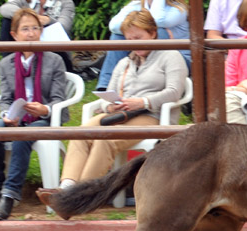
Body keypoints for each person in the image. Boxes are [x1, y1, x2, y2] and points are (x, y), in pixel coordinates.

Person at [55, 9, 187, 189]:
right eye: (130, 39)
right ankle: (66, 187)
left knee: (107, 141)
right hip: (120, 114)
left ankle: (82, 193)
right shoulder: (124, 62)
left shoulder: (171, 56)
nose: (134, 43)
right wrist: (109, 106)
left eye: (138, 38)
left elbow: (174, 92)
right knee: (80, 133)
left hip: (152, 116)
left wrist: (143, 102)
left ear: (153, 33)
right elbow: (108, 94)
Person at [0, 8, 68, 220]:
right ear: (14, 35)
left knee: (24, 136)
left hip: (44, 119)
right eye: (25, 29)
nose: (31, 33)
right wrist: (7, 114)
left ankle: (9, 194)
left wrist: (46, 109)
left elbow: (59, 99)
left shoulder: (54, 60)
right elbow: (5, 98)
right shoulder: (6, 64)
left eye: (35, 28)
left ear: (41, 31)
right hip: (17, 118)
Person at [96, 0, 191, 91]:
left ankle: (145, 84)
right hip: (145, 58)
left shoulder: (178, 8)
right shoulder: (137, 5)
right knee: (117, 36)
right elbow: (114, 26)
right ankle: (105, 87)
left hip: (180, 60)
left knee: (160, 31)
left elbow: (157, 20)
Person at [0, 0, 75, 72]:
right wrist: (32, 18)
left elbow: (64, 27)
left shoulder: (66, 2)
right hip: (26, 48)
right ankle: (11, 66)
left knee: (47, 30)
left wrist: (48, 20)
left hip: (55, 50)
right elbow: (4, 8)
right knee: (7, 21)